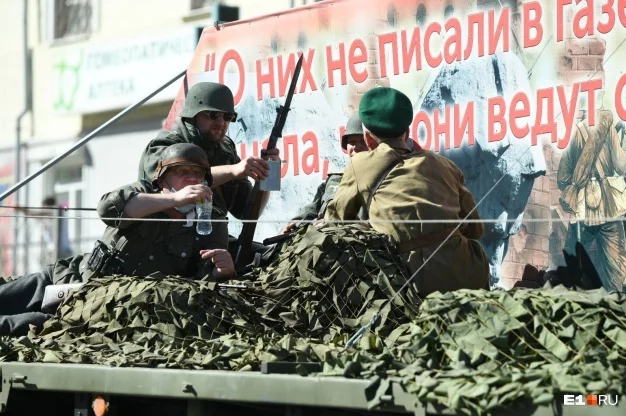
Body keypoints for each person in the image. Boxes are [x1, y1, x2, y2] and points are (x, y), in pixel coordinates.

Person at [0, 143, 235, 336]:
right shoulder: (143, 192)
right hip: (70, 278)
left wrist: (220, 271)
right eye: (182, 173)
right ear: (163, 179)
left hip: (102, 307)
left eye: (197, 174)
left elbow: (198, 282)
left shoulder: (210, 221)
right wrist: (175, 201)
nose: (191, 180)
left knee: (25, 326)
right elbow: (108, 209)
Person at [324, 87, 490, 296]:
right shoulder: (445, 165)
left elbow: (334, 224)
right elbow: (475, 230)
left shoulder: (360, 166)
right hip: (470, 275)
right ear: (407, 133)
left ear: (368, 139)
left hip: (415, 285)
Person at [138, 82, 279, 224]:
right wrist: (232, 170)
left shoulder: (225, 149)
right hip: (166, 236)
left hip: (212, 235)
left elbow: (248, 212)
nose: (221, 122)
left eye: (227, 117)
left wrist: (269, 173)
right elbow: (180, 189)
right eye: (214, 115)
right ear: (193, 114)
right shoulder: (166, 145)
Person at [281, 112, 423, 234]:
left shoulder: (389, 179)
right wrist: (297, 223)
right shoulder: (335, 180)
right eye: (352, 142)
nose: (356, 148)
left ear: (373, 143)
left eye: (362, 141)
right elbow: (312, 210)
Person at [558, 110, 626, 292]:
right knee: (616, 269)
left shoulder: (575, 133)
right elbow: (621, 166)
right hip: (609, 208)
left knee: (572, 261)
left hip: (582, 210)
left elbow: (562, 178)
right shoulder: (609, 127)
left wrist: (576, 181)